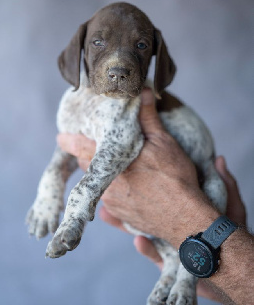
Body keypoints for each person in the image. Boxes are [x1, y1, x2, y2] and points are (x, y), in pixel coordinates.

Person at [57, 88, 253, 305]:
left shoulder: (140, 98)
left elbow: (119, 145)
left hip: (201, 185)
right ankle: (174, 270)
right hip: (188, 244)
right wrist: (225, 287)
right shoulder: (83, 103)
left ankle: (182, 275)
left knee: (215, 186)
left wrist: (184, 219)